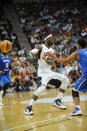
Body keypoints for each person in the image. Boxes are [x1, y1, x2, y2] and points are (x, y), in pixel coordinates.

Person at [24, 34, 69, 115]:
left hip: (50, 72)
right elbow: (33, 52)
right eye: (51, 38)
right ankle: (29, 107)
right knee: (42, 88)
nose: (53, 39)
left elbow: (52, 62)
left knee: (66, 80)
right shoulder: (40, 47)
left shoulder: (52, 50)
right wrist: (32, 53)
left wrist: (46, 60)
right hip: (42, 73)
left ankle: (57, 100)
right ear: (46, 39)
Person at [48, 38, 87, 116]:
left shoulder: (77, 53)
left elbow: (65, 61)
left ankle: (77, 109)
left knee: (75, 90)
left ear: (78, 45)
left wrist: (54, 58)